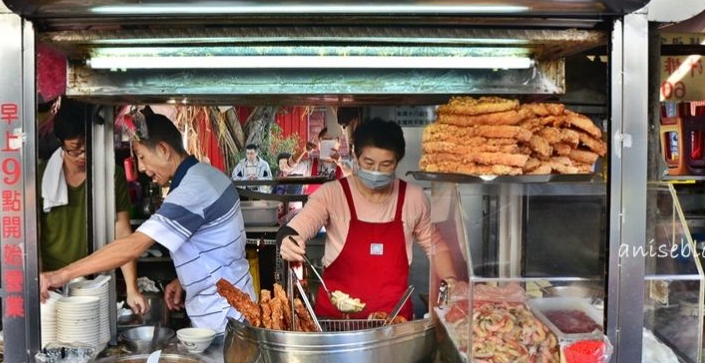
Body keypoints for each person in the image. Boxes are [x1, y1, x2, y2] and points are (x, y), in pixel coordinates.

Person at [41, 112, 252, 333]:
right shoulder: (209, 176)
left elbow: (132, 246)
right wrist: (185, 280)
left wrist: (61, 275)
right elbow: (219, 249)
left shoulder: (191, 191)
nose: (141, 168)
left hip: (223, 321)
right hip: (233, 311)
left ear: (163, 150)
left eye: (141, 157)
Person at [278, 118, 457, 320]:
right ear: (355, 156)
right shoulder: (332, 194)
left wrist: (452, 284)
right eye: (368, 163)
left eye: (386, 165)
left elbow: (437, 247)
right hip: (337, 325)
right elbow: (297, 228)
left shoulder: (413, 198)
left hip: (394, 323)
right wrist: (288, 240)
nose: (376, 172)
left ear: (397, 162)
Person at [39, 101, 147, 316]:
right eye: (73, 150)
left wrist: (131, 288)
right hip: (51, 282)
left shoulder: (111, 175)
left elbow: (123, 233)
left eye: (86, 149)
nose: (82, 157)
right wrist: (40, 277)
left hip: (96, 279)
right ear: (61, 144)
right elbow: (34, 236)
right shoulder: (40, 176)